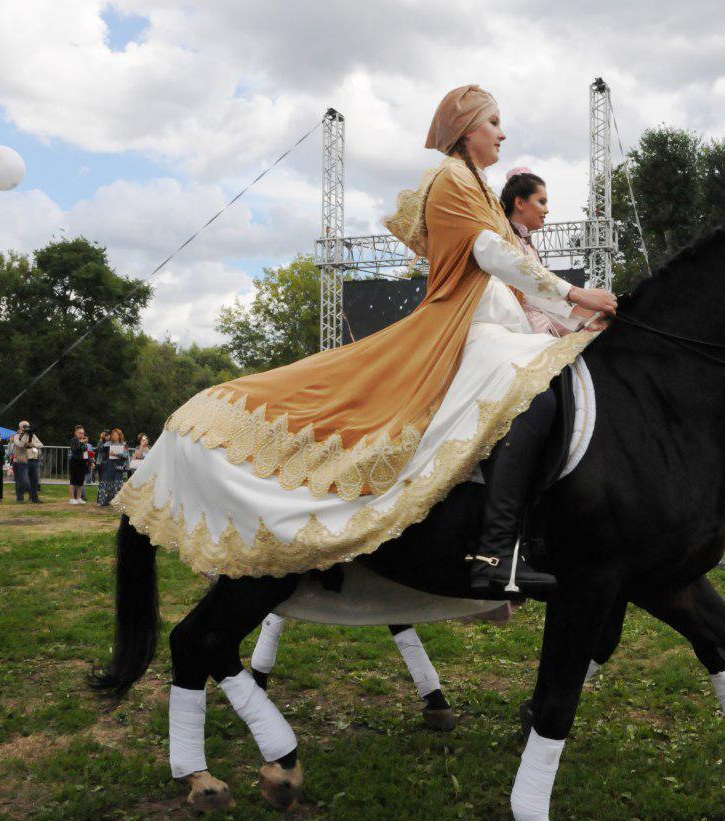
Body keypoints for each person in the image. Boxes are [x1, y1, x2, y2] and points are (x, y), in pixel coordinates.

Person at [116, 84, 616, 594]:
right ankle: (493, 556)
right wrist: (578, 292)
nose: (502, 132)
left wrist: (577, 314)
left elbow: (516, 274)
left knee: (543, 387)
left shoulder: (478, 185)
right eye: (493, 123)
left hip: (493, 318)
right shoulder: (452, 179)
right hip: (465, 325)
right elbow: (491, 253)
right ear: (467, 131)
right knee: (532, 400)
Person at [500, 167, 603, 337]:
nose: (547, 210)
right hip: (524, 329)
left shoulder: (524, 242)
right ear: (519, 203)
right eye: (541, 202)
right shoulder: (507, 242)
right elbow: (530, 297)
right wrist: (580, 298)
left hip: (539, 323)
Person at [10, 421, 43, 503]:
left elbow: (41, 445)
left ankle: (34, 498)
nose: (26, 428)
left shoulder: (33, 435)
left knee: (34, 480)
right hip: (22, 461)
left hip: (33, 460)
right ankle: (20, 498)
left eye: (27, 426)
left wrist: (33, 444)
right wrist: (24, 435)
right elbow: (20, 445)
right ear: (20, 427)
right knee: (23, 481)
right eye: (24, 426)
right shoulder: (16, 436)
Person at [98, 428, 130, 506]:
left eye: (115, 434)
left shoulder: (124, 445)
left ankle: (116, 502)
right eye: (112, 434)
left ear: (119, 436)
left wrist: (116, 454)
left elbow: (126, 456)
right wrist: (101, 439)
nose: (113, 436)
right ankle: (104, 501)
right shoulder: (108, 444)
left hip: (118, 467)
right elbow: (99, 449)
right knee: (106, 482)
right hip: (109, 466)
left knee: (117, 484)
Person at [68, 426, 91, 505]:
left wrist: (89, 461)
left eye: (83, 433)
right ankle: (71, 499)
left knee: (81, 481)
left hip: (83, 462)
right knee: (73, 481)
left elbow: (85, 452)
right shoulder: (74, 440)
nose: (82, 434)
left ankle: (78, 498)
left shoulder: (84, 442)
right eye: (80, 433)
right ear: (76, 433)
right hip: (75, 462)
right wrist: (81, 442)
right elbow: (74, 449)